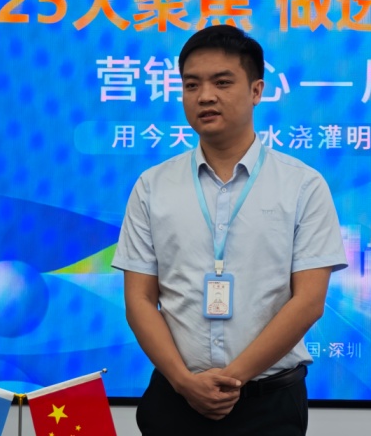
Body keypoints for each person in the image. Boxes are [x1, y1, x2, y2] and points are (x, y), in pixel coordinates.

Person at [112, 25, 348, 436]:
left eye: (222, 82)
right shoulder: (152, 186)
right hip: (174, 399)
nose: (205, 96)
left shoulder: (302, 185)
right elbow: (139, 299)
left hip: (269, 406)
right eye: (192, 85)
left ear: (256, 91)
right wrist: (185, 383)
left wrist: (229, 381)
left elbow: (309, 301)